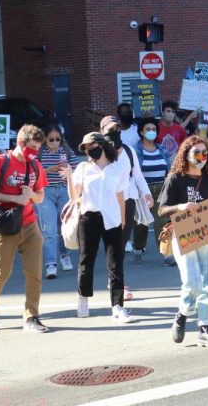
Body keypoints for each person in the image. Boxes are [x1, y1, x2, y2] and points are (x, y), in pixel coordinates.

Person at [160, 135, 208, 348]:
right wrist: (179, 207)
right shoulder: (176, 179)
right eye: (196, 152)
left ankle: (206, 325)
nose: (201, 157)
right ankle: (183, 313)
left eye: (204, 153)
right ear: (186, 155)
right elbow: (161, 210)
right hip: (183, 233)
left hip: (206, 233)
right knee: (192, 281)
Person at [70, 132, 133, 323]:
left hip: (112, 218)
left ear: (101, 145)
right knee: (86, 259)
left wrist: (122, 220)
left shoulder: (117, 168)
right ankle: (83, 299)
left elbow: (121, 196)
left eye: (91, 146)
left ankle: (117, 306)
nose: (89, 151)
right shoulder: (83, 168)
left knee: (116, 262)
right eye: (86, 149)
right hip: (89, 217)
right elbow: (74, 196)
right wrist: (68, 178)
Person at [0, 125, 48, 332]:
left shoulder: (34, 166)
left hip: (29, 224)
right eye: (32, 147)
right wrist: (15, 198)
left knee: (34, 273)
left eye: (37, 148)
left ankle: (31, 317)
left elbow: (40, 197)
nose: (34, 153)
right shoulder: (0, 162)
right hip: (5, 225)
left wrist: (30, 196)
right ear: (20, 142)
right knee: (0, 274)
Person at [101, 115, 151, 300]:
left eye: (117, 128)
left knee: (120, 242)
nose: (115, 131)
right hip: (107, 201)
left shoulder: (129, 151)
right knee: (113, 242)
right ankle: (116, 281)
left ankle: (116, 280)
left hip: (128, 199)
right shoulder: (99, 151)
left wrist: (146, 193)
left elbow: (137, 175)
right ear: (102, 131)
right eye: (110, 129)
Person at [37, 123, 78, 278]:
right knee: (49, 229)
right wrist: (52, 169)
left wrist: (68, 171)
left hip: (63, 190)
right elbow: (34, 172)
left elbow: (76, 170)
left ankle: (64, 255)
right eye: (51, 139)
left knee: (64, 226)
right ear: (44, 139)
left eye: (58, 139)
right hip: (45, 192)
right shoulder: (39, 153)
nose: (55, 142)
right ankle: (50, 264)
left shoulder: (67, 151)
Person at [131, 117, 173, 265]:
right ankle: (137, 249)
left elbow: (168, 167)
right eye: (148, 129)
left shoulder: (161, 149)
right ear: (141, 132)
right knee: (141, 223)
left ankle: (166, 254)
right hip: (143, 190)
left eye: (154, 129)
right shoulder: (135, 151)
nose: (151, 132)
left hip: (161, 188)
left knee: (161, 221)